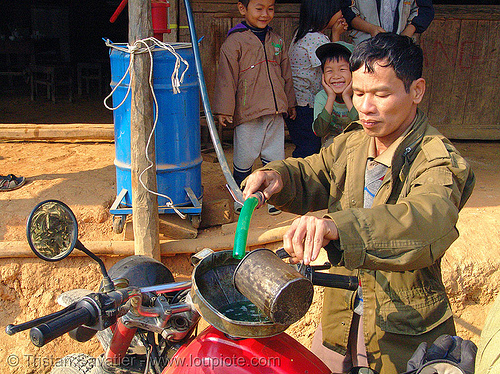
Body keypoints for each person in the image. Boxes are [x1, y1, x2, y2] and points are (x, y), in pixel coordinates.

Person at [242, 33, 475, 374]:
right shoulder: (352, 142)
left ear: (416, 91)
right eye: (359, 92)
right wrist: (278, 177)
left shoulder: (437, 158)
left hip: (402, 331)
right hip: (339, 321)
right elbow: (315, 171)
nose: (365, 106)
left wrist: (339, 227)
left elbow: (429, 219)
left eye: (381, 94)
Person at [212, 0, 296, 215]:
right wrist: (224, 109)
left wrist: (290, 102)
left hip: (275, 112)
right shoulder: (235, 41)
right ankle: (241, 198)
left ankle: (274, 199)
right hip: (248, 112)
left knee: (275, 157)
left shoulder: (276, 40)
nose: (265, 14)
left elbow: (286, 74)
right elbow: (226, 78)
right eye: (259, 8)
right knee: (244, 158)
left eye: (270, 8)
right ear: (243, 9)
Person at [285, 0, 348, 158]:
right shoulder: (316, 39)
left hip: (299, 105)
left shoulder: (303, 33)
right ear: (325, 13)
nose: (341, 14)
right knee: (309, 150)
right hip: (306, 107)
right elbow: (333, 69)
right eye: (338, 10)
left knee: (306, 147)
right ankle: (301, 179)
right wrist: (336, 35)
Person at [313, 41, 358, 148]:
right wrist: (331, 97)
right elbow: (319, 131)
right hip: (333, 145)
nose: (336, 76)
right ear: (323, 75)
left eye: (342, 69)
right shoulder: (322, 97)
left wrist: (346, 97)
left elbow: (364, 127)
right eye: (329, 71)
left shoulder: (361, 94)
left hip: (357, 142)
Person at [342, 0, 435, 45]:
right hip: (365, 45)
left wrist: (407, 34)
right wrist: (371, 29)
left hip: (402, 47)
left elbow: (425, 10)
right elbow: (346, 10)